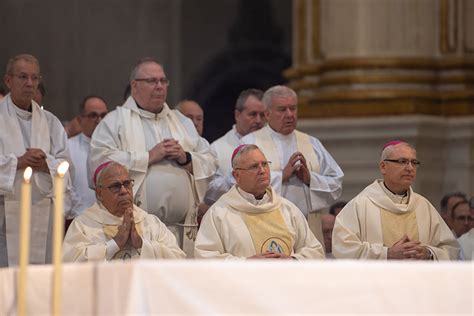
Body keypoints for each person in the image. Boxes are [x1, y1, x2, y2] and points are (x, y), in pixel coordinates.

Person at [89, 58, 217, 256]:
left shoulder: (181, 122)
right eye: (152, 81)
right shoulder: (115, 122)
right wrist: (148, 157)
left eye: (163, 81)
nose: (159, 87)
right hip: (139, 229)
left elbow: (210, 159)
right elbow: (98, 164)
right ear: (134, 86)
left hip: (183, 229)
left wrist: (186, 158)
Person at [241, 85, 344, 244]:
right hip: (267, 227)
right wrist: (281, 176)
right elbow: (239, 185)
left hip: (309, 231)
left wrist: (311, 179)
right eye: (282, 109)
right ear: (267, 114)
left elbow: (336, 183)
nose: (289, 114)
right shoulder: (250, 143)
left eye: (293, 108)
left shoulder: (311, 143)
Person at [0, 54, 75, 266]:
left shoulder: (50, 122)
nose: (30, 84)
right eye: (23, 77)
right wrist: (18, 162)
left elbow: (67, 169)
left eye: (34, 78)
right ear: (8, 80)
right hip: (4, 216)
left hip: (42, 215)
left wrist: (46, 164)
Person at [332, 141, 459, 260]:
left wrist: (428, 253)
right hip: (376, 282)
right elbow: (343, 249)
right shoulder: (360, 205)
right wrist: (387, 254)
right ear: (383, 167)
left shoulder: (423, 206)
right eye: (402, 161)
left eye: (414, 162)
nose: (410, 168)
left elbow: (450, 248)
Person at [195, 144, 325, 259]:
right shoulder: (219, 214)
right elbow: (205, 256)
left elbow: (315, 251)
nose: (262, 171)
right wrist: (246, 264)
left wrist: (292, 261)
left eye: (264, 164)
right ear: (237, 176)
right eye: (254, 167)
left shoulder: (288, 209)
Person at [63, 162, 185, 261]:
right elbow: (70, 264)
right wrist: (114, 244)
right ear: (100, 194)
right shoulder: (83, 225)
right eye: (115, 186)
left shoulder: (150, 222)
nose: (123, 191)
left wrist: (141, 244)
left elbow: (178, 260)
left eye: (127, 184)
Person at [205, 88, 266, 204]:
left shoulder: (270, 144)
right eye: (253, 114)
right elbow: (208, 190)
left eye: (262, 115)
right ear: (237, 115)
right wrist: (236, 177)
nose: (258, 120)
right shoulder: (216, 149)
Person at [68, 95, 108, 216]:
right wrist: (84, 214)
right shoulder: (68, 147)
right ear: (80, 120)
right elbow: (66, 187)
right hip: (78, 217)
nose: (99, 120)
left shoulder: (117, 147)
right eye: (93, 115)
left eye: (103, 115)